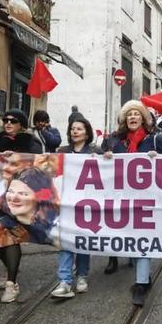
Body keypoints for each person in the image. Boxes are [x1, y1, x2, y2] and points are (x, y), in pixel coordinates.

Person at [102, 100, 162, 306]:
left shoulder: (155, 138)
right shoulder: (114, 141)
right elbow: (99, 163)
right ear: (124, 119)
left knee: (143, 237)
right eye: (129, 114)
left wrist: (159, 158)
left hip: (146, 198)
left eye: (136, 114)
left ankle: (140, 283)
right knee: (126, 236)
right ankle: (140, 271)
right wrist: (105, 157)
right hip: (120, 198)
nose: (132, 117)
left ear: (143, 118)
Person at [0, 109, 43, 303]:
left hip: (19, 195)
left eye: (13, 121)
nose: (8, 123)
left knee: (9, 236)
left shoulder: (31, 142)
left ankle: (12, 283)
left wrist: (17, 157)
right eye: (5, 120)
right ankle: (11, 265)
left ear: (22, 124)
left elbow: (36, 163)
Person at [50, 116, 102, 299]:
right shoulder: (62, 152)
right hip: (66, 203)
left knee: (82, 241)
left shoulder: (96, 151)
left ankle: (82, 275)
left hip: (87, 204)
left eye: (79, 129)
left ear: (87, 133)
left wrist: (106, 158)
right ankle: (64, 280)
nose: (75, 132)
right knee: (66, 241)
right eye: (72, 129)